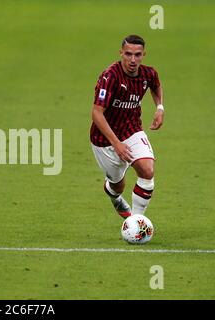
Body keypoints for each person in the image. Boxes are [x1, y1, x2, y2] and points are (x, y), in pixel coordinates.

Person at [90, 34, 164, 219]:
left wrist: (160, 108)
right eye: (128, 54)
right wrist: (116, 144)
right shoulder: (110, 77)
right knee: (117, 186)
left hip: (131, 129)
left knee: (147, 170)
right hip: (104, 139)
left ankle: (136, 222)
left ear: (143, 54)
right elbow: (96, 113)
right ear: (121, 53)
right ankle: (113, 194)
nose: (133, 59)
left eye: (137, 54)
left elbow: (155, 85)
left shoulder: (148, 73)